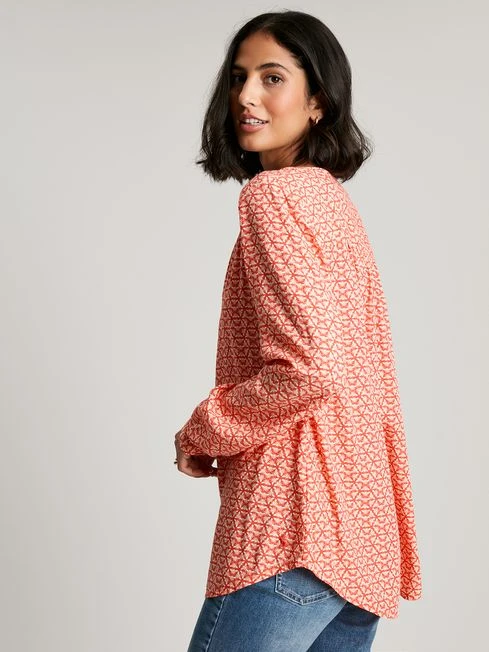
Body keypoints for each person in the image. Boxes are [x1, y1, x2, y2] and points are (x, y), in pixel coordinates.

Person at [173, 10, 422, 651]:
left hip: (290, 531)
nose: (246, 96)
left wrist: (205, 427)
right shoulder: (332, 202)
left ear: (318, 103)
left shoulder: (273, 198)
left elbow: (310, 370)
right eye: (238, 77)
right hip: (360, 543)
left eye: (272, 77)